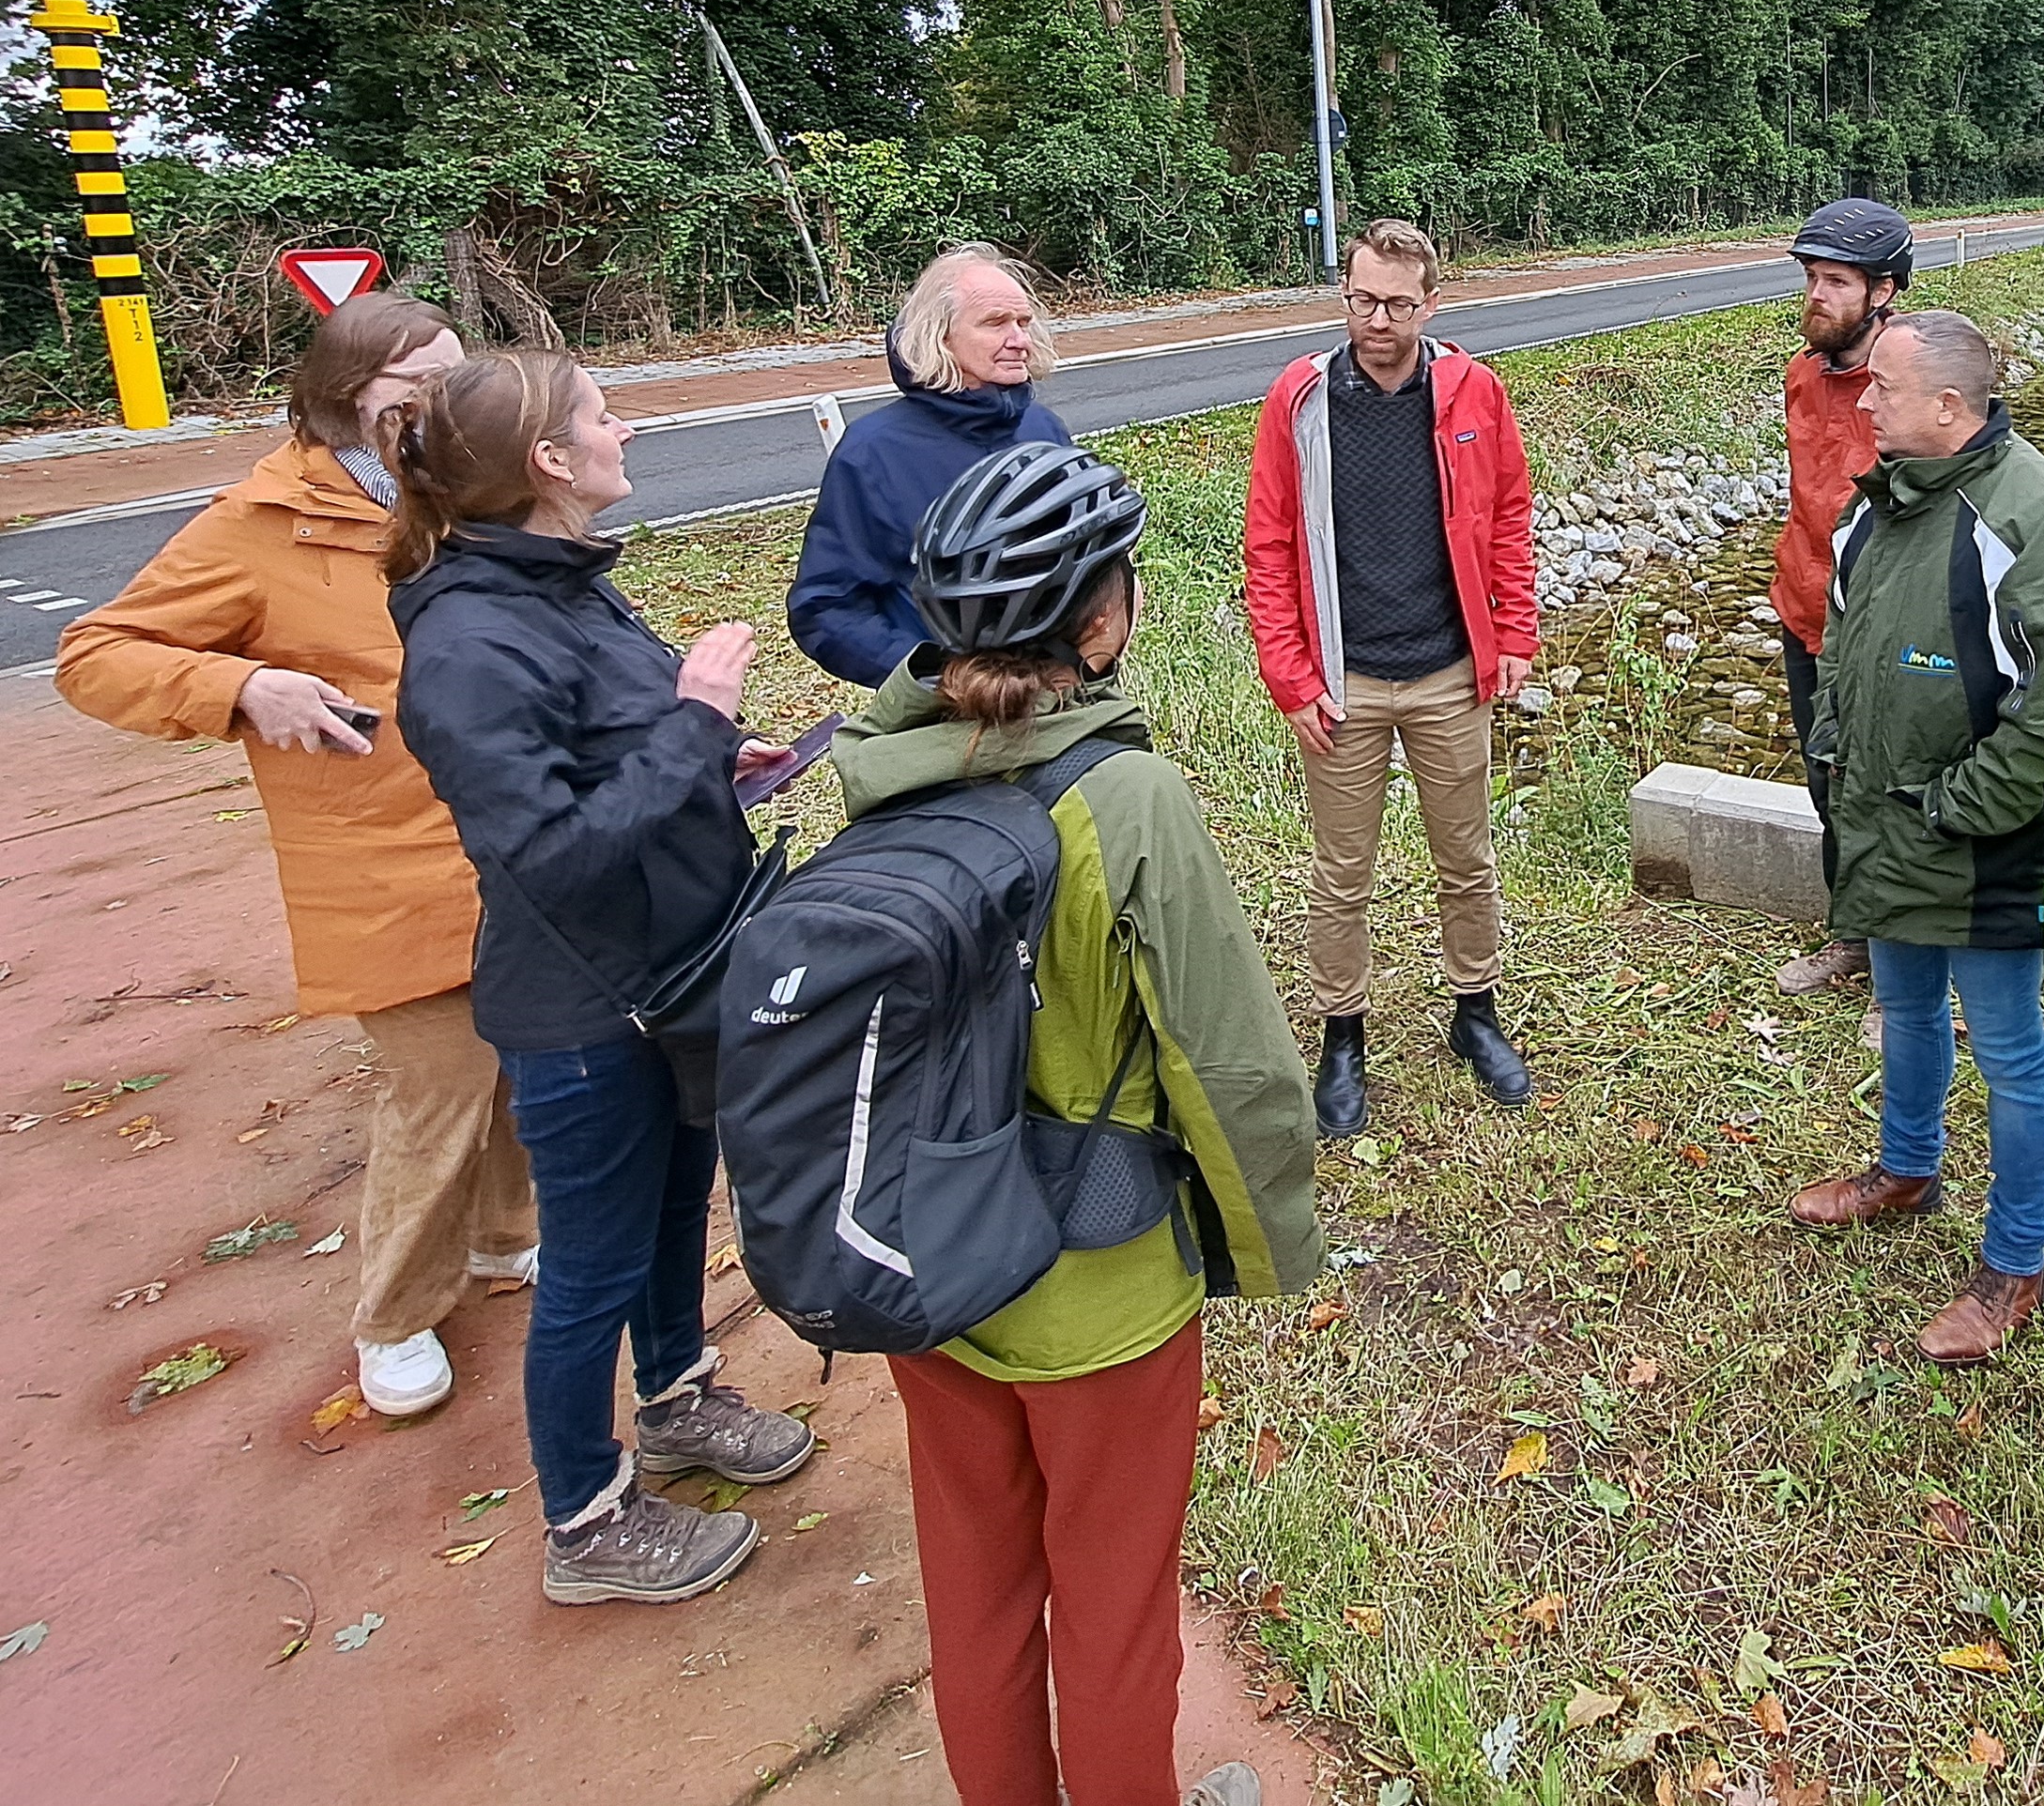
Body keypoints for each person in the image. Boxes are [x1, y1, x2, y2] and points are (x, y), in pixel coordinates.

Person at [844, 441, 1322, 1806]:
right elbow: (1228, 1061)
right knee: (1111, 1613)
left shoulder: (874, 765)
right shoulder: (1126, 798)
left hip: (925, 1260)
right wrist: (1260, 1243)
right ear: (1101, 620)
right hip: (1092, 1286)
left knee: (979, 1589)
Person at [385, 347, 818, 1606]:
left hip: (676, 969)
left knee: (680, 1204)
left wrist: (720, 763)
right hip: (588, 1009)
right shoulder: (469, 642)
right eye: (600, 416)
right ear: (550, 464)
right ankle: (583, 1515)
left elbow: (608, 768)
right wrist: (693, 721)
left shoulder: (564, 585)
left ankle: (677, 1393)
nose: (623, 427)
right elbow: (554, 856)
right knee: (587, 1266)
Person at [55, 294, 537, 1421]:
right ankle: (395, 1312)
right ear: (341, 398)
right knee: (443, 1079)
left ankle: (507, 1235)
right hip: (379, 859)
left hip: (504, 831)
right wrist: (241, 685)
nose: (441, 404)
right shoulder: (263, 520)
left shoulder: (456, 492)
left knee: (520, 1043)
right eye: (414, 385)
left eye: (453, 379)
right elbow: (96, 653)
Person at [1785, 310, 2044, 1365]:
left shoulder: (2037, 518)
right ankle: (1905, 1167)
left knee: (2012, 1051)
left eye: (1881, 386)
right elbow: (1845, 647)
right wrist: (1841, 761)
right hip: (1885, 822)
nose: (1862, 400)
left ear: (1948, 406)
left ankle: (2015, 1258)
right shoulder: (1882, 502)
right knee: (1910, 1007)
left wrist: (1954, 807)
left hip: (1975, 842)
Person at [1240, 218, 1539, 1135]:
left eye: (1398, 303)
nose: (1378, 318)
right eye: (1363, 299)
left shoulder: (1472, 392)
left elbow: (1508, 515)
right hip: (1344, 682)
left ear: (1431, 304)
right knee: (1342, 873)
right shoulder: (1301, 398)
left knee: (1467, 859)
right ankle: (1343, 1036)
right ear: (1345, 294)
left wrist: (1515, 629)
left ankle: (1474, 1013)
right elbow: (1270, 541)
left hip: (1449, 671)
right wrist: (1291, 677)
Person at [790, 242, 1074, 686]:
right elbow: (826, 608)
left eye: (1023, 322)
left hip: (1061, 692)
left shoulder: (1042, 427)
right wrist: (938, 676)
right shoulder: (872, 453)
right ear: (938, 336)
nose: (1019, 339)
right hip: (950, 713)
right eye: (995, 323)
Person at [1768, 197, 1910, 999]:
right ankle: (1850, 935)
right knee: (1828, 784)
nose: (1815, 294)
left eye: (1835, 281)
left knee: (1891, 796)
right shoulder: (1802, 372)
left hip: (1884, 634)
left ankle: (1906, 979)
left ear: (1883, 291)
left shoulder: (1913, 386)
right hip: (1807, 613)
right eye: (1810, 278)